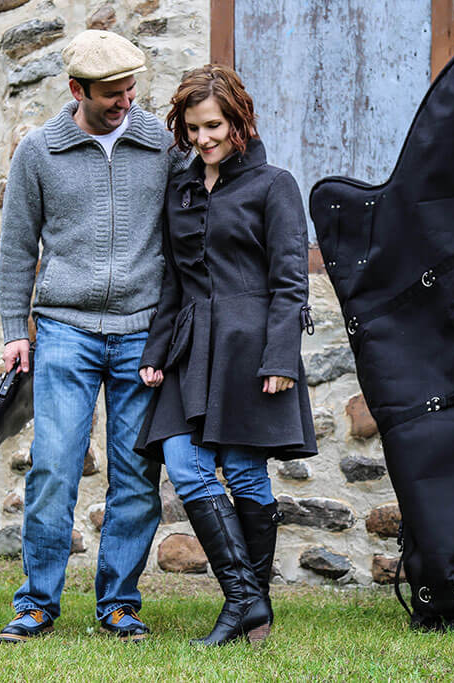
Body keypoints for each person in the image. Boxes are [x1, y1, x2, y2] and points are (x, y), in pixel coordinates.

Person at [0, 30, 187, 644]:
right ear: (75, 90)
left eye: (131, 87)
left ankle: (120, 604)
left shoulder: (161, 142)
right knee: (54, 466)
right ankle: (37, 604)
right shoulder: (38, 151)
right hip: (64, 330)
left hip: (141, 332)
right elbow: (18, 248)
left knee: (136, 471)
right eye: (111, 93)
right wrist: (12, 330)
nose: (125, 100)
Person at [135, 65, 317, 646]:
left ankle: (245, 610)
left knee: (242, 471)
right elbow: (174, 279)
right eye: (191, 129)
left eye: (212, 125)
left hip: (250, 345)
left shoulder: (274, 185)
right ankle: (248, 602)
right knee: (184, 464)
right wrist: (156, 351)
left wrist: (281, 359)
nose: (202, 139)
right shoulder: (182, 187)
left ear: (239, 120)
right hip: (191, 347)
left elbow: (290, 280)